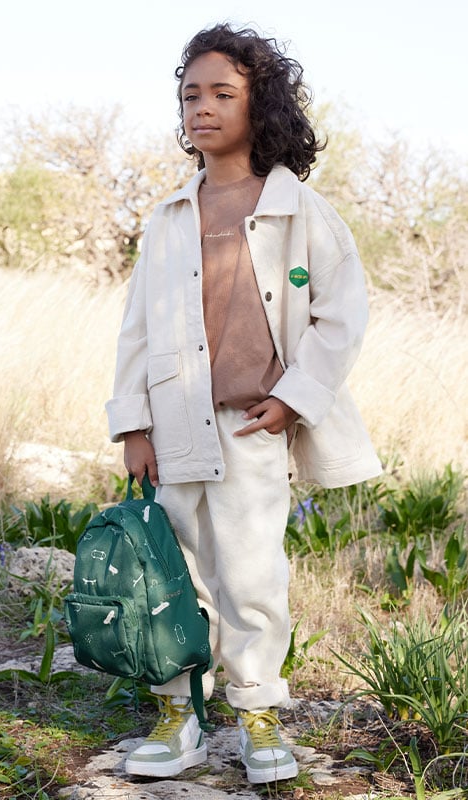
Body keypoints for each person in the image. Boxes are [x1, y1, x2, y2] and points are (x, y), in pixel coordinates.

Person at [105, 22, 381, 785]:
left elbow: (341, 315)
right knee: (172, 576)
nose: (202, 107)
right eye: (190, 94)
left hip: (252, 425)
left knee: (253, 577)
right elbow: (136, 327)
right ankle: (178, 717)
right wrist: (132, 424)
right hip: (173, 424)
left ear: (262, 105)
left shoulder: (301, 211)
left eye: (223, 93)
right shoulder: (169, 216)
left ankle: (258, 718)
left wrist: (293, 400)